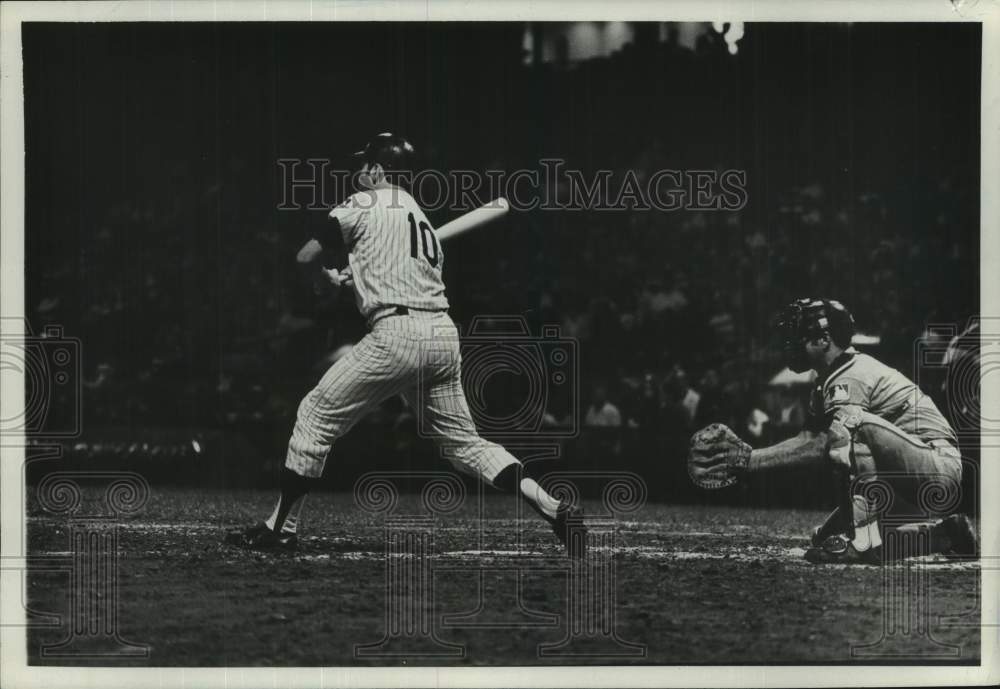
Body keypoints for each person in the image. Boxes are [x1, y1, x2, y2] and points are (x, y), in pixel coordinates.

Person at [226, 133, 585, 557]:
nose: (360, 172)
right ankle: (552, 505)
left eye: (365, 165)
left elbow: (305, 256)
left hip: (397, 335)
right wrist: (349, 277)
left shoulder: (363, 203)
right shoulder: (422, 223)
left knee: (314, 416)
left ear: (379, 170)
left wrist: (324, 279)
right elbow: (388, 271)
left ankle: (281, 529)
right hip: (441, 337)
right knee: (465, 445)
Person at [688, 298, 976, 564]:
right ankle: (947, 535)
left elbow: (827, 442)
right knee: (825, 540)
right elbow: (808, 441)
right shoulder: (827, 381)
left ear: (824, 339)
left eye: (798, 336)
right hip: (904, 476)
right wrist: (751, 457)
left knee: (850, 423)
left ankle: (861, 541)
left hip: (936, 468)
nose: (791, 344)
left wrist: (750, 461)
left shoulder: (852, 373)